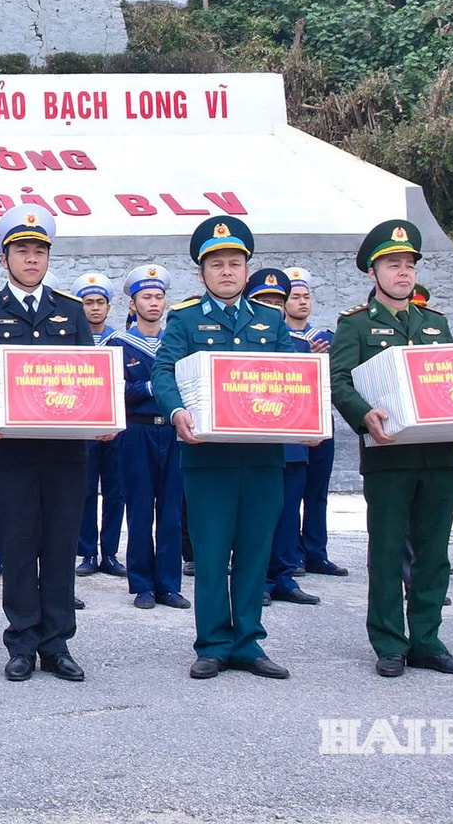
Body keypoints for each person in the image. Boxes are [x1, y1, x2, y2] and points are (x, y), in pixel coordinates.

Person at [152, 218, 304, 680]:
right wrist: (177, 412)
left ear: (247, 268)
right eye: (216, 264)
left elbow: (293, 380)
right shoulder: (184, 319)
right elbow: (163, 373)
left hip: (262, 457)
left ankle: (249, 644)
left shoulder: (271, 321)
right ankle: (214, 644)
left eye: (235, 263)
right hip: (208, 457)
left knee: (256, 550)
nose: (226, 272)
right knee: (213, 552)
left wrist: (308, 418)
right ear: (202, 273)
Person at [0, 210, 100, 682]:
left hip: (64, 450)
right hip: (9, 450)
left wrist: (104, 413)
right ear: (5, 258)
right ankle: (21, 641)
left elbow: (89, 375)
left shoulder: (71, 309)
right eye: (22, 251)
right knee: (18, 546)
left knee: (59, 544)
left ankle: (57, 644)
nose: (31, 258)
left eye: (39, 251)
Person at [327, 221, 453, 677]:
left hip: (437, 454)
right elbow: (337, 379)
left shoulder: (436, 323)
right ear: (374, 273)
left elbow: (451, 379)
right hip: (388, 453)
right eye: (394, 264)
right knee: (389, 550)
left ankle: (428, 640)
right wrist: (364, 413)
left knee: (435, 552)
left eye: (409, 264)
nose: (403, 272)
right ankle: (390, 642)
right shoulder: (355, 324)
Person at [116, 263, 188, 611]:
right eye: (146, 297)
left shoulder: (176, 342)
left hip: (173, 430)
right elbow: (114, 390)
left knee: (172, 511)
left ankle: (169, 584)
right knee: (141, 509)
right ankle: (142, 584)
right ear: (133, 304)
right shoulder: (119, 343)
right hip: (138, 429)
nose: (154, 303)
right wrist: (150, 386)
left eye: (159, 296)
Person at [246, 268, 318, 609]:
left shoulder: (302, 345)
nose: (273, 308)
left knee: (289, 514)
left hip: (292, 444)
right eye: (264, 301)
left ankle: (284, 577)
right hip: (257, 441)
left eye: (278, 301)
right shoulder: (243, 341)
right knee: (258, 518)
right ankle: (259, 578)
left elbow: (309, 392)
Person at [283, 267, 343, 579]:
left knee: (317, 492)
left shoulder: (327, 338)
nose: (302, 302)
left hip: (322, 420)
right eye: (295, 297)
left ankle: (317, 552)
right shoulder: (280, 338)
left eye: (307, 296)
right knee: (292, 492)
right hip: (292, 425)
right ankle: (292, 555)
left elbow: (339, 381)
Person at [72, 271, 125, 580]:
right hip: (84, 425)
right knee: (86, 491)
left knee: (116, 491)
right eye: (88, 302)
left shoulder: (120, 339)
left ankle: (111, 552)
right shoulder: (73, 341)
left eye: (100, 302)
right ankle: (88, 552)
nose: (94, 308)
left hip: (117, 427)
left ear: (108, 307)